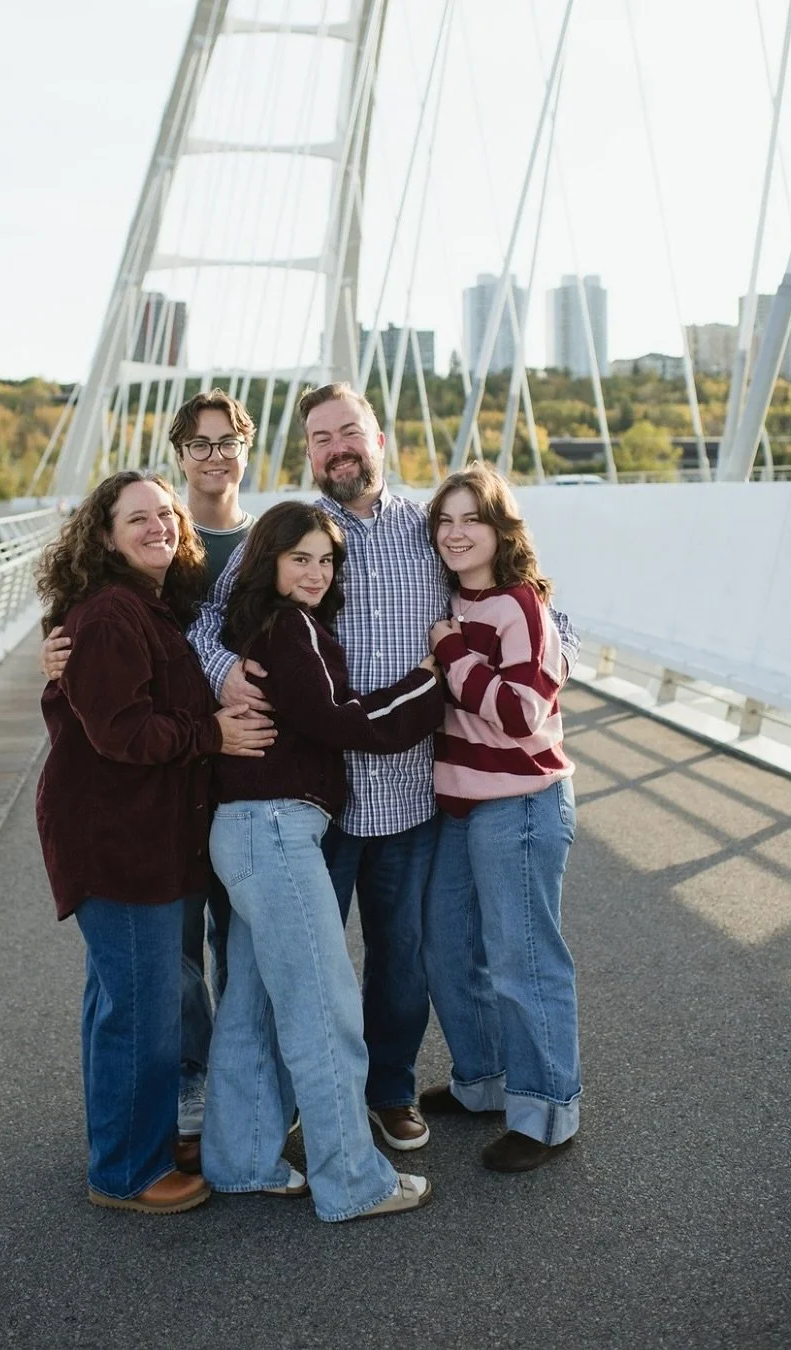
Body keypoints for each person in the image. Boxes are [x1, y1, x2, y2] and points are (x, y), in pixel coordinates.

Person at [189, 381, 580, 1152]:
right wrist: (221, 671)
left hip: (412, 794)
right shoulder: (293, 531)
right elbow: (211, 621)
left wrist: (548, 656)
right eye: (319, 439)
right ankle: (299, 1100)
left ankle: (389, 1090)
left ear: (378, 436)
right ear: (309, 454)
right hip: (318, 795)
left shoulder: (429, 528)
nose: (336, 448)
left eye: (348, 431)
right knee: (298, 962)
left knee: (403, 963)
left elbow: (525, 601)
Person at [34, 470, 274, 1215]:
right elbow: (120, 732)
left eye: (167, 515)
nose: (158, 527)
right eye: (137, 518)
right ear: (104, 535)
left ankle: (127, 1143)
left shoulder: (150, 607)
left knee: (120, 1000)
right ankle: (127, 1173)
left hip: (136, 834)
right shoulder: (111, 614)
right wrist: (214, 733)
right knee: (140, 1009)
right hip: (119, 840)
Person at [202, 501, 444, 1220]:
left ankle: (240, 1161)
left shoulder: (260, 626)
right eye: (299, 557)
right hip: (276, 832)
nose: (315, 571)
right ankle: (353, 1182)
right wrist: (431, 677)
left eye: (325, 560)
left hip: (247, 831)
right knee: (324, 1011)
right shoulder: (292, 628)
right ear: (268, 561)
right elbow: (345, 722)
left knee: (251, 1006)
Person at [418, 463, 581, 1173]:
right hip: (459, 804)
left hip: (519, 802)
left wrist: (450, 650)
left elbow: (519, 714)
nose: (455, 534)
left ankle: (547, 1111)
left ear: (499, 529)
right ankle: (484, 1083)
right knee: (447, 949)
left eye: (470, 520)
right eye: (444, 522)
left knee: (523, 959)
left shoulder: (518, 608)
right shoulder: (452, 602)